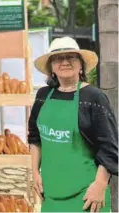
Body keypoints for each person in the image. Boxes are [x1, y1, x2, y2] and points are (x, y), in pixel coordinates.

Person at [28, 37, 118, 212]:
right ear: (51, 67)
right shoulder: (43, 95)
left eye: (72, 57)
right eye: (58, 58)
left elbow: (109, 147)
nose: (65, 62)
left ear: (81, 64)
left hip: (87, 195)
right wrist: (35, 174)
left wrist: (99, 185)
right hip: (51, 193)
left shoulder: (93, 97)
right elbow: (34, 137)